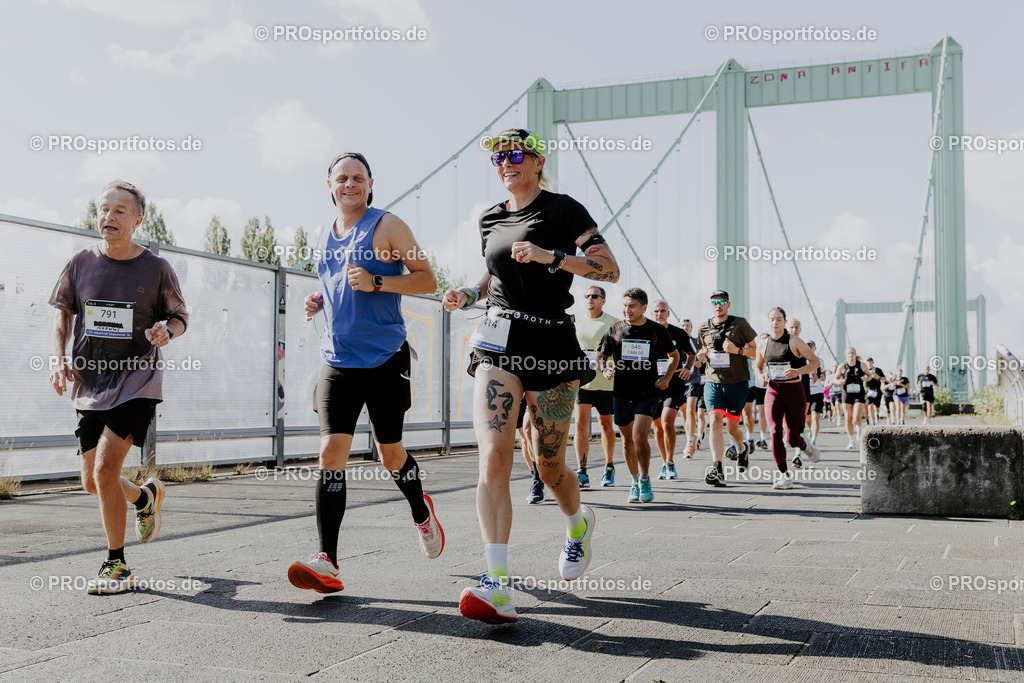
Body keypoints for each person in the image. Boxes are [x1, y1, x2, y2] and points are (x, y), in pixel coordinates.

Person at [443, 128, 620, 623]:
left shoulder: (565, 210)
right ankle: (497, 583)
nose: (506, 162)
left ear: (538, 161)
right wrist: (469, 295)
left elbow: (610, 271)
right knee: (494, 457)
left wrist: (553, 257)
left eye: (516, 154)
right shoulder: (490, 217)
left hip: (553, 345)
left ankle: (577, 522)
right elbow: (492, 275)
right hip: (500, 342)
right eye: (499, 157)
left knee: (548, 466)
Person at [290, 152, 444, 595]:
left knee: (390, 455)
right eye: (342, 178)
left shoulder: (388, 225)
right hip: (337, 359)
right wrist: (319, 299)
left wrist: (379, 282)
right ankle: (328, 562)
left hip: (384, 358)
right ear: (330, 185)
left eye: (358, 178)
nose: (350, 184)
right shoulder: (322, 232)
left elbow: (427, 279)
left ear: (370, 183)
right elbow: (334, 279)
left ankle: (421, 511)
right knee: (329, 453)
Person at [48, 180, 187, 594]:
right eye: (104, 210)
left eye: (119, 211)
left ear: (138, 219)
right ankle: (145, 498)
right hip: (91, 383)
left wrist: (167, 330)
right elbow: (63, 314)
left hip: (137, 381)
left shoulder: (157, 268)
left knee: (107, 470)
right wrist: (58, 359)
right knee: (92, 481)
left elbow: (180, 316)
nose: (108, 217)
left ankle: (116, 565)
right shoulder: (79, 263)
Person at [597, 289, 679, 502]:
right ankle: (634, 482)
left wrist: (667, 378)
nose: (627, 310)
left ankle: (644, 478)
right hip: (622, 392)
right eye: (625, 305)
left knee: (639, 436)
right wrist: (604, 369)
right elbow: (600, 356)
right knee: (626, 442)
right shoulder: (614, 329)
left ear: (643, 307)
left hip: (648, 392)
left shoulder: (656, 330)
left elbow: (674, 356)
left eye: (632, 306)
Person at [694, 290, 758, 487]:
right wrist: (701, 357)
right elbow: (701, 356)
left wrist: (737, 350)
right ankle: (717, 468)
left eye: (722, 302)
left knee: (732, 429)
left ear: (728, 304)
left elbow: (756, 352)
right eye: (714, 302)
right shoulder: (704, 327)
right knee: (714, 421)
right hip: (713, 382)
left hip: (737, 383)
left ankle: (741, 448)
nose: (718, 305)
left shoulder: (741, 324)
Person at [754, 307, 821, 489]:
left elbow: (816, 362)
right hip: (773, 392)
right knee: (775, 432)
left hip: (794, 392)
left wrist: (798, 371)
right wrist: (760, 376)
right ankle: (784, 475)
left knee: (792, 438)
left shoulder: (794, 342)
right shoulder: (763, 344)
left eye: (778, 319)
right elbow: (757, 366)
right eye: (772, 320)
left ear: (784, 322)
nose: (775, 323)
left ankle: (803, 444)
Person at [573, 285, 619, 488]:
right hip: (583, 382)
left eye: (594, 296)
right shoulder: (577, 322)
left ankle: (609, 467)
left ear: (603, 300)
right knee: (580, 425)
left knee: (606, 426)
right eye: (587, 296)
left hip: (606, 382)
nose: (589, 299)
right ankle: (581, 470)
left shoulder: (614, 323)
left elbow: (620, 351)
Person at [650, 300, 695, 480]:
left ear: (668, 313)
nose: (659, 314)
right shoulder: (647, 332)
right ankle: (664, 463)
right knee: (657, 427)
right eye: (656, 311)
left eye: (663, 311)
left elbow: (691, 354)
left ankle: (670, 462)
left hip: (674, 384)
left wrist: (687, 368)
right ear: (651, 313)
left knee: (667, 421)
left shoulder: (678, 333)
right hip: (653, 385)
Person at [832, 347, 868, 450]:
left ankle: (859, 429)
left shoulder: (862, 365)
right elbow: (835, 378)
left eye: (852, 353)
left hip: (858, 393)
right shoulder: (842, 366)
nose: (851, 355)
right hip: (847, 393)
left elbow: (869, 376)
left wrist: (866, 378)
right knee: (848, 418)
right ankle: (851, 441)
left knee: (856, 417)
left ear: (855, 354)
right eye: (849, 353)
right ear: (846, 355)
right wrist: (838, 382)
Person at [680, 318, 704, 458]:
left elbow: (700, 364)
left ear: (691, 328)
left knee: (690, 411)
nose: (685, 327)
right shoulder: (675, 341)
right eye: (682, 325)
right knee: (684, 413)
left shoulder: (696, 343)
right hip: (679, 382)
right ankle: (691, 437)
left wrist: (692, 362)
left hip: (693, 380)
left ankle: (689, 444)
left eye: (687, 325)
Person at [864, 358, 886, 426]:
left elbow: (884, 379)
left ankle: (877, 415)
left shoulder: (878, 370)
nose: (869, 363)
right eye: (868, 362)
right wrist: (867, 378)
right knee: (870, 406)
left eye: (870, 362)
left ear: (873, 362)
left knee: (876, 407)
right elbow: (861, 378)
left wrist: (877, 377)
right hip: (869, 390)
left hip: (877, 390)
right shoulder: (864, 370)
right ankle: (873, 423)